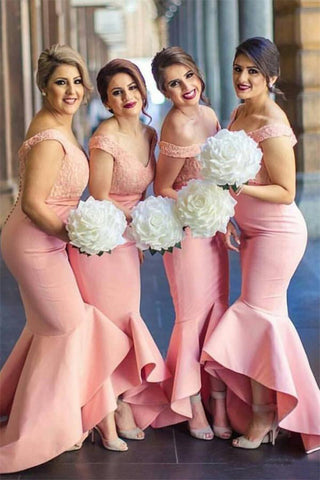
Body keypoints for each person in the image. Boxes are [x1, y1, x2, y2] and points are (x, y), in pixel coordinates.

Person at [0, 45, 135, 473]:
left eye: (77, 81)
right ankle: (44, 428)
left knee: (54, 329)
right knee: (69, 325)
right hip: (35, 242)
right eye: (61, 82)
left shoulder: (60, 125)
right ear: (44, 87)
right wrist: (75, 235)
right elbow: (35, 205)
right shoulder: (48, 136)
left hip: (47, 240)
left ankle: (70, 417)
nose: (72, 89)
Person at [202, 37, 320, 453]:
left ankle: (266, 413)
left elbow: (286, 191)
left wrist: (239, 188)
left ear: (271, 77)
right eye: (238, 69)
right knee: (263, 317)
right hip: (250, 232)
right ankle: (278, 408)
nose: (242, 77)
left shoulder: (273, 120)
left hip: (278, 233)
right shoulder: (238, 113)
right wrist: (229, 213)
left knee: (256, 315)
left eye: (253, 71)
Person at [67, 59, 170, 448]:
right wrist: (140, 218)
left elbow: (148, 189)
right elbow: (101, 196)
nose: (127, 97)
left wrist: (145, 232)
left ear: (143, 90)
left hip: (128, 243)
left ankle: (122, 402)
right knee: (108, 329)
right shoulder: (104, 137)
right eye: (117, 92)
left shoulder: (149, 133)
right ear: (107, 102)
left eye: (132, 88)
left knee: (128, 321)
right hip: (102, 240)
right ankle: (105, 415)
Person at [150, 46, 231, 441]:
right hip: (186, 231)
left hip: (214, 229)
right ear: (165, 92)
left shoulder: (211, 116)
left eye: (188, 77)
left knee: (217, 309)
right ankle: (192, 400)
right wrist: (195, 207)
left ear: (198, 75)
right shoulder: (175, 126)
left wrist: (223, 214)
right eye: (173, 84)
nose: (185, 88)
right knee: (191, 316)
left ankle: (218, 398)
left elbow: (218, 177)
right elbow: (162, 185)